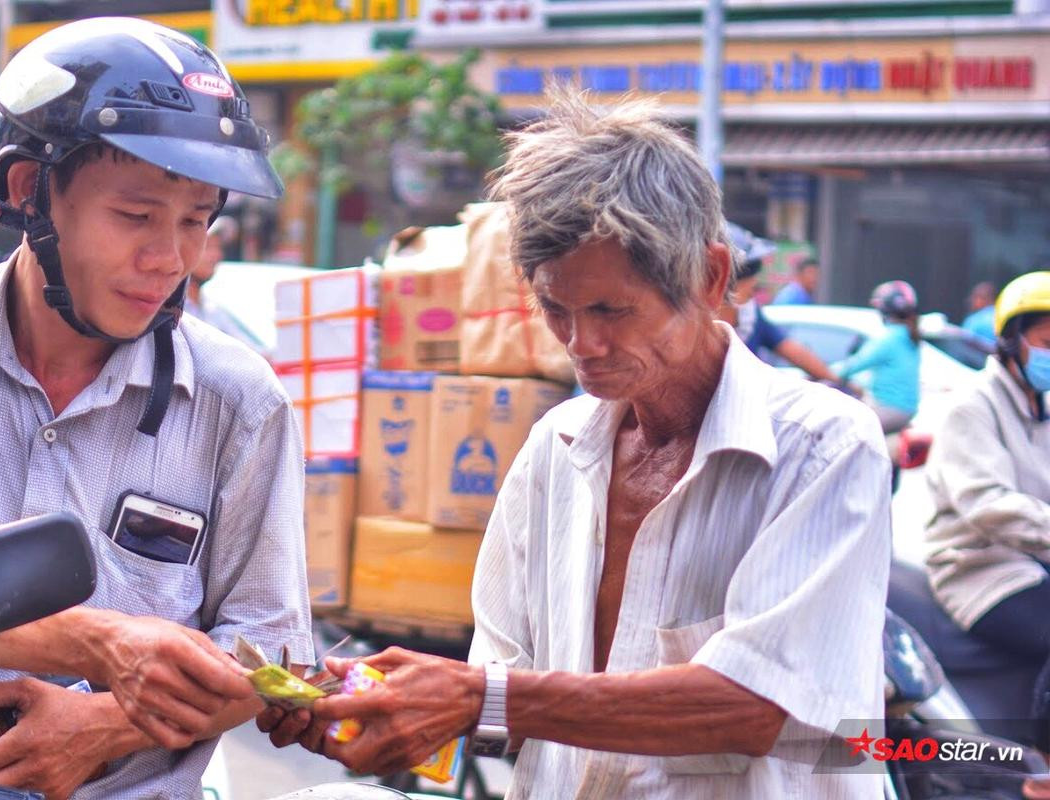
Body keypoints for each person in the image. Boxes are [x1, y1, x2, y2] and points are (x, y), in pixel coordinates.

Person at [261, 90, 892, 798]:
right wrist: (380, 706)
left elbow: (759, 707)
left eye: (611, 311)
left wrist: (479, 697)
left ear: (711, 278)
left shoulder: (823, 447)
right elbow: (511, 694)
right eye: (556, 309)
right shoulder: (552, 451)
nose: (580, 345)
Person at [0, 18, 312, 800]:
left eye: (197, 220)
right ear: (30, 191)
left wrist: (109, 724)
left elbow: (268, 652)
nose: (170, 258)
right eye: (136, 216)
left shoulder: (241, 400)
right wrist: (108, 645)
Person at [923, 271, 1050, 758]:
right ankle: (1042, 769)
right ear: (1013, 341)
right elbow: (988, 504)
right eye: (1048, 341)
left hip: (1029, 561)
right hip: (979, 569)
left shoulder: (1039, 405)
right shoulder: (972, 407)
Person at [721, 223, 840, 383]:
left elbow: (787, 347)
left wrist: (839, 382)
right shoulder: (690, 323)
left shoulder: (750, 315)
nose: (755, 282)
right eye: (748, 270)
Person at [834, 280, 922, 435]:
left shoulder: (889, 338)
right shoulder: (907, 335)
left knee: (843, 432)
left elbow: (853, 365)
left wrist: (819, 371)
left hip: (890, 408)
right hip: (905, 409)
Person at [184, 216, 267, 352]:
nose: (216, 255)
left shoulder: (213, 310)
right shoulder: (168, 311)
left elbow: (250, 352)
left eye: (218, 247)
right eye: (208, 247)